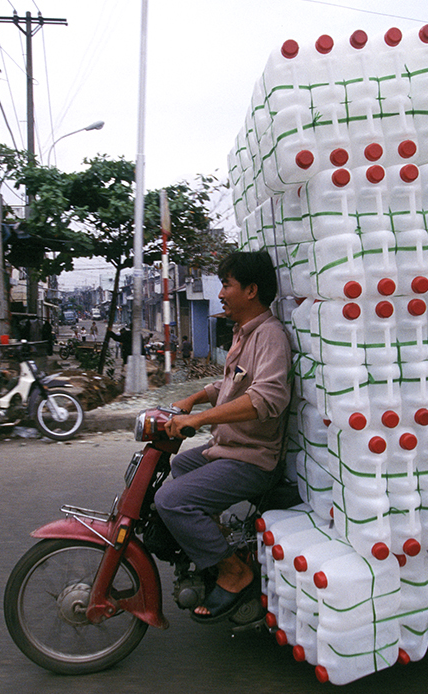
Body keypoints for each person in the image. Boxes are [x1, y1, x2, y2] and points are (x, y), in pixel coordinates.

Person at [156, 251, 292, 622]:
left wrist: (200, 420)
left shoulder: (270, 336)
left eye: (227, 285)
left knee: (170, 501)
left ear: (251, 290)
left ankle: (234, 572)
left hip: (252, 458)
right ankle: (213, 539)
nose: (221, 294)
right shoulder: (244, 334)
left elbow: (267, 398)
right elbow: (230, 386)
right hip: (227, 447)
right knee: (180, 463)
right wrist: (193, 398)